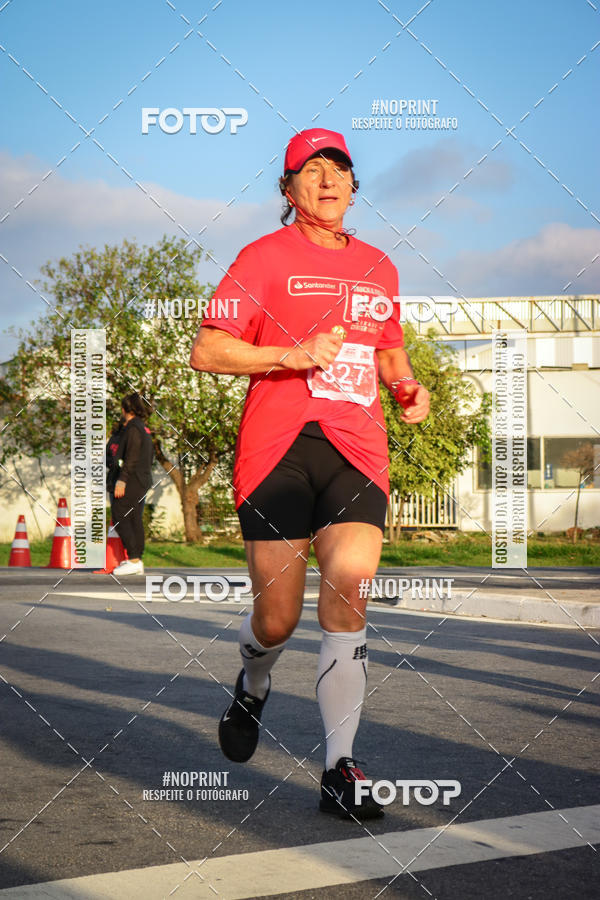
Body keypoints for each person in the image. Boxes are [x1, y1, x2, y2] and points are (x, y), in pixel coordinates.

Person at [190, 128, 430, 820]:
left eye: (340, 171)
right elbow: (207, 350)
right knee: (277, 616)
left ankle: (339, 769)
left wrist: (410, 391)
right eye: (311, 171)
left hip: (357, 448)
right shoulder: (262, 259)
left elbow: (391, 360)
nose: (328, 182)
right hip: (277, 449)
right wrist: (291, 356)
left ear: (355, 186)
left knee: (350, 593)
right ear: (288, 190)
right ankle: (254, 681)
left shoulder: (380, 267)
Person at [111, 393, 154, 576]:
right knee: (134, 518)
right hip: (141, 478)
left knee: (119, 514)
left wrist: (122, 479)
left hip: (132, 480)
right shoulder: (143, 428)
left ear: (124, 409)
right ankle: (136, 560)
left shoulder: (133, 429)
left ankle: (134, 559)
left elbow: (132, 456)